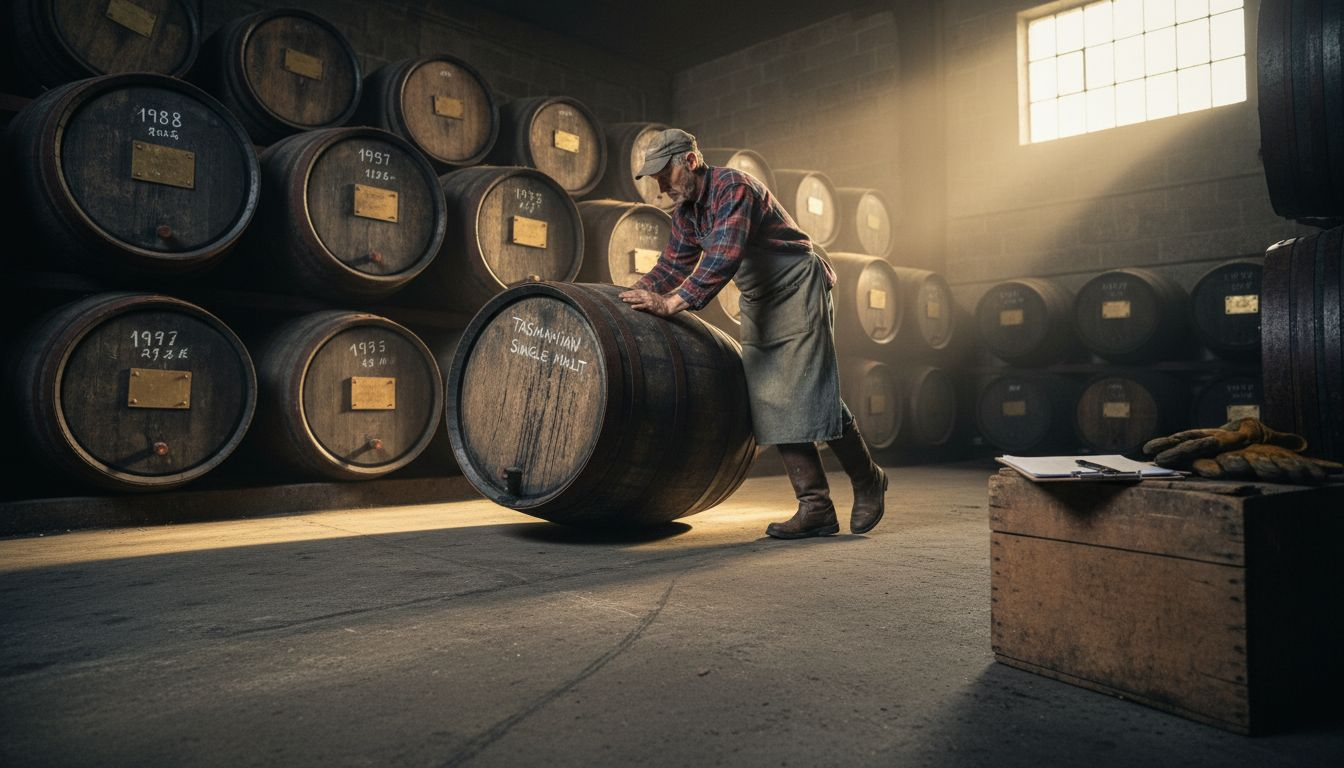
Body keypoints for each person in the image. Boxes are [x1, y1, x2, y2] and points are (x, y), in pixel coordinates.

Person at [618, 128, 888, 539]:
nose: (659, 186)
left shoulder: (733, 188)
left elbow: (724, 256)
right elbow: (673, 265)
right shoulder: (688, 211)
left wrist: (672, 303)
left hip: (797, 284)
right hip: (760, 297)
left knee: (806, 389)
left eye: (663, 174)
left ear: (689, 162)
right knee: (767, 392)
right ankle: (815, 507)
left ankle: (868, 479)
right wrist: (636, 293)